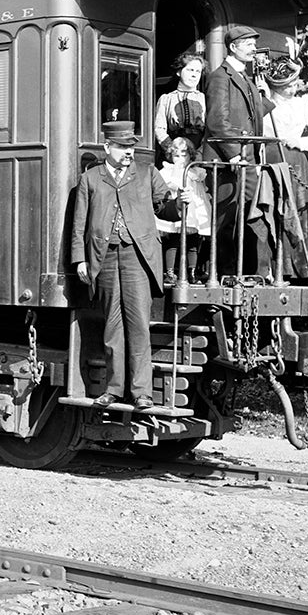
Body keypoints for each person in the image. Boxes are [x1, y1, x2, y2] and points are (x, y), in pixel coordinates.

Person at [71, 120, 173, 409]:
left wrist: (180, 202)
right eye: (123, 147)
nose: (129, 152)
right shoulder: (91, 179)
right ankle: (114, 390)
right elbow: (78, 224)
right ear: (107, 148)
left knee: (139, 325)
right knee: (113, 327)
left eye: (131, 147)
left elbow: (165, 206)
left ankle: (142, 393)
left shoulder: (147, 174)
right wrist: (79, 258)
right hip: (103, 259)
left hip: (136, 257)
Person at [202, 23, 274, 277]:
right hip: (227, 161)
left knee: (253, 214)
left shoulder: (247, 78)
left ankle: (253, 272)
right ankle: (223, 273)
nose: (254, 49)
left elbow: (249, 118)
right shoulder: (220, 77)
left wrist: (266, 99)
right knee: (227, 218)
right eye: (249, 44)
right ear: (233, 47)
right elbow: (217, 121)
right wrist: (233, 153)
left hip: (248, 158)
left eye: (254, 44)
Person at [262, 56, 308, 280]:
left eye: (295, 84)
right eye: (288, 86)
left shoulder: (302, 104)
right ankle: (277, 270)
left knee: (300, 212)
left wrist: (301, 143)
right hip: (269, 163)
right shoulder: (263, 104)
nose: (294, 89)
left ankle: (307, 270)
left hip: (295, 162)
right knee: (273, 212)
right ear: (276, 86)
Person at [155, 134, 212, 282]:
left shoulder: (195, 172)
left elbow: (201, 190)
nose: (180, 159)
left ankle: (191, 271)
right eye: (176, 155)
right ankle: (169, 271)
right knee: (172, 239)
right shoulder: (168, 171)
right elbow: (169, 186)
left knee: (192, 241)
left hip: (192, 210)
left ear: (190, 155)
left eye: (184, 155)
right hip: (175, 210)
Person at [153, 46, 209, 151]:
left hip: (199, 149)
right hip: (174, 148)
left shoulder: (204, 99)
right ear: (179, 72)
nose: (194, 75)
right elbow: (159, 129)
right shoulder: (167, 99)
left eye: (198, 71)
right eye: (190, 70)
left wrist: (201, 151)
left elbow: (210, 129)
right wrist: (171, 149)